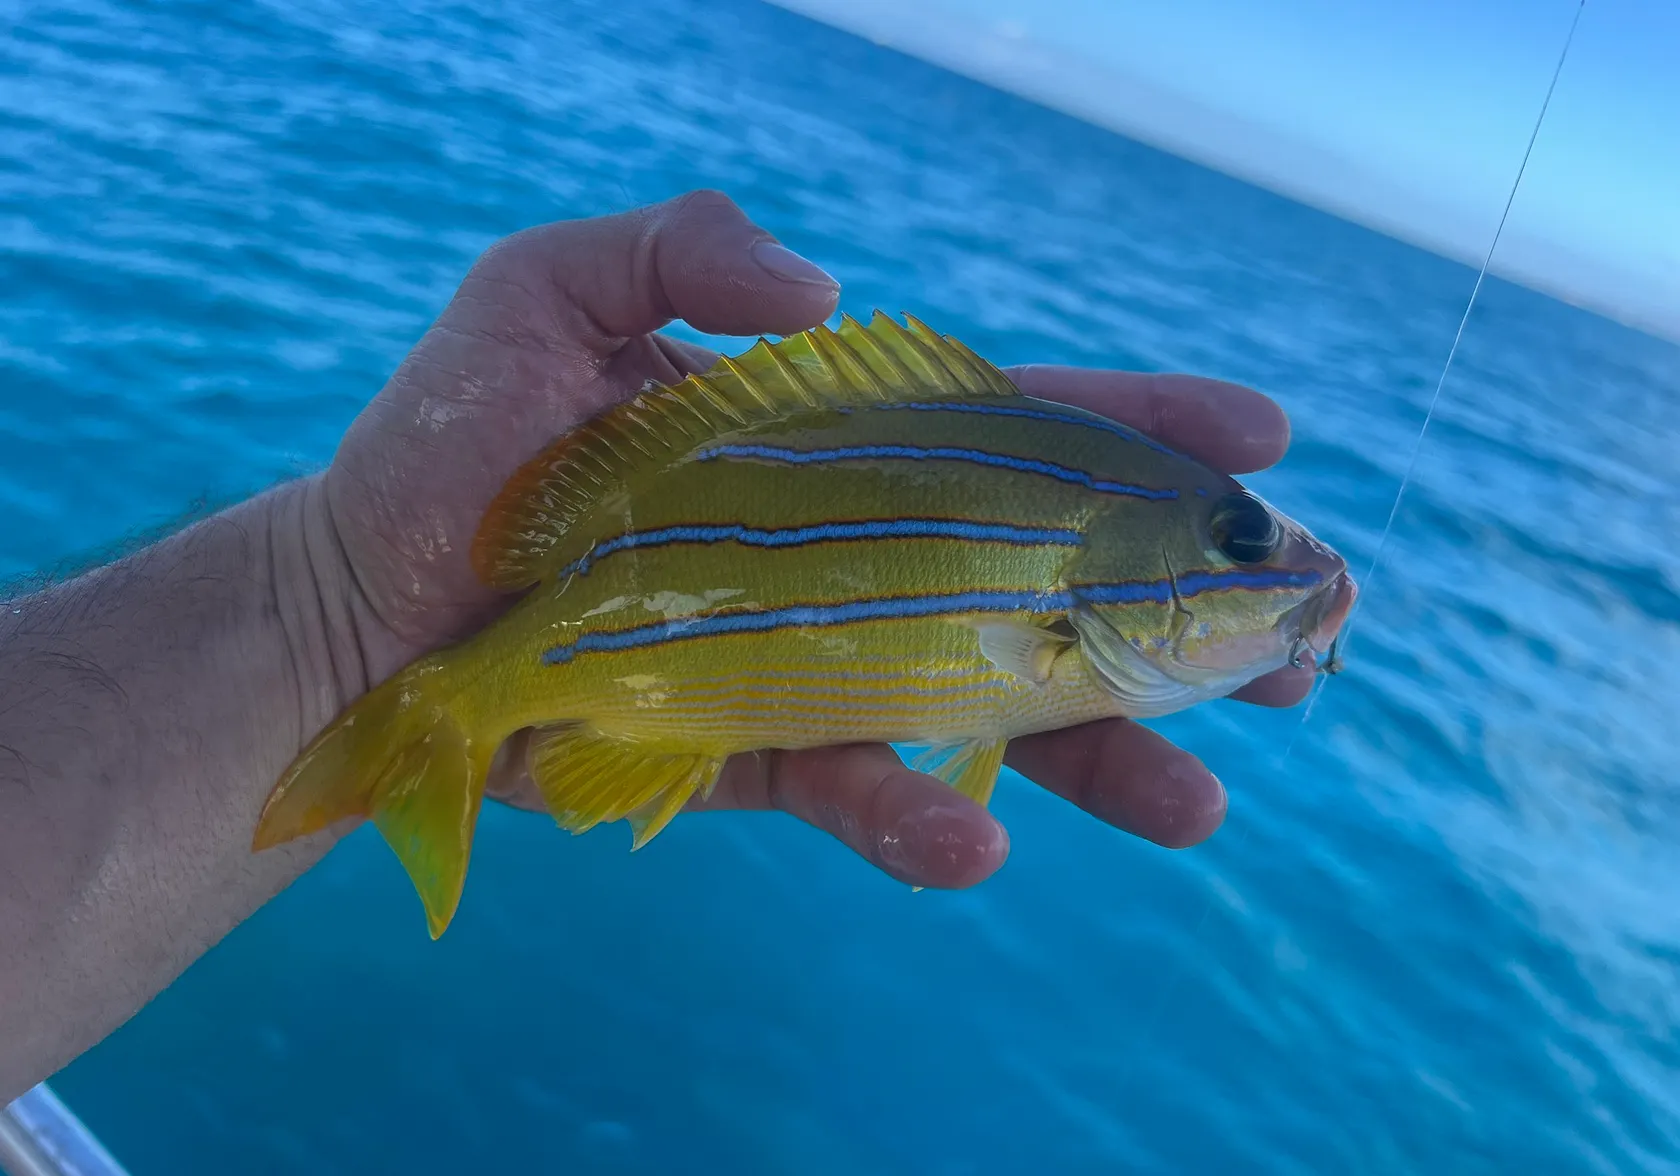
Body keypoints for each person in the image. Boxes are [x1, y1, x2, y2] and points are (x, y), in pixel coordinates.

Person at [0, 191, 1309, 1101]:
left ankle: (414, 716)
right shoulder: (1066, 605)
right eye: (1244, 541)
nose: (1288, 577)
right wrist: (342, 599)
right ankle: (422, 718)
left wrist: (327, 613)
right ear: (1109, 564)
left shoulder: (1075, 593)